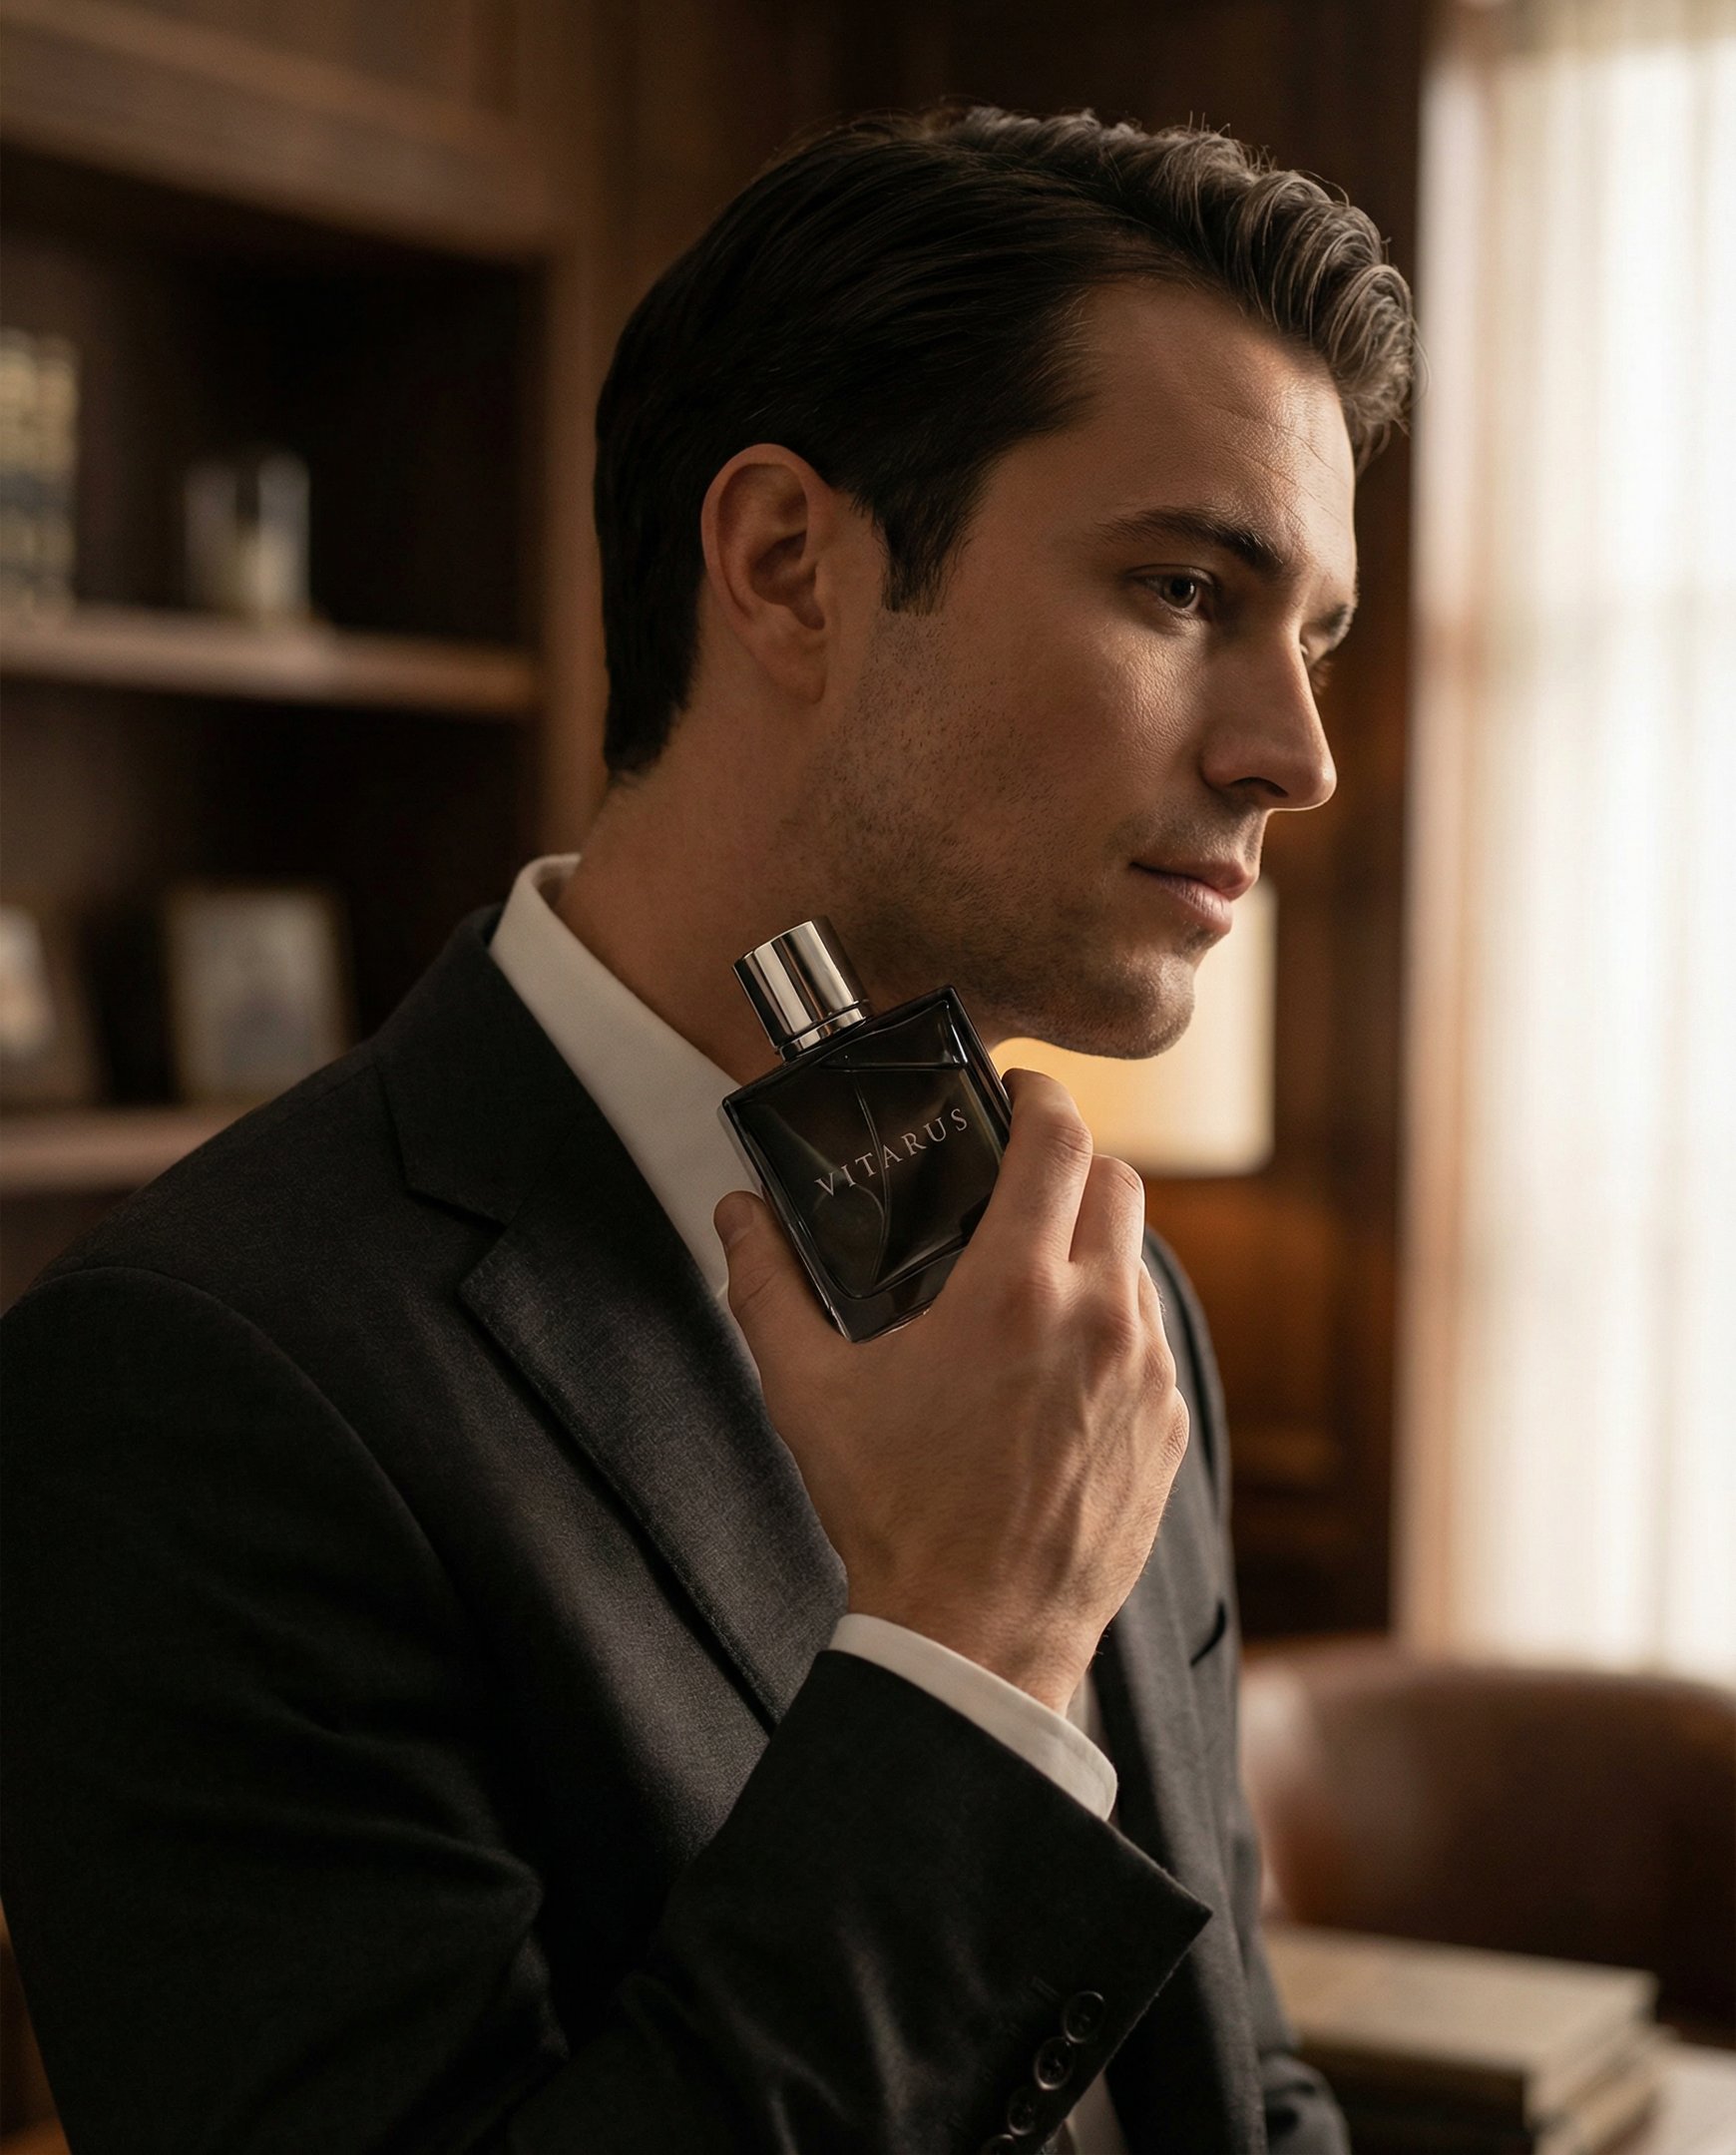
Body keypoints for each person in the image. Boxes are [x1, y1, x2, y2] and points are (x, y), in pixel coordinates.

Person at [1, 107, 1412, 2153]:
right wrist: (972, 1661)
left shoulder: (1109, 1310)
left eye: (1316, 637)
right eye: (1188, 585)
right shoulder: (194, 1386)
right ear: (785, 567)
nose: (1295, 753)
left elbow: (1233, 2086)